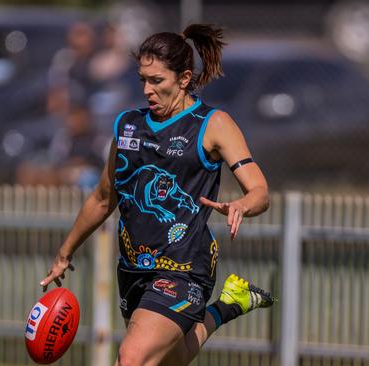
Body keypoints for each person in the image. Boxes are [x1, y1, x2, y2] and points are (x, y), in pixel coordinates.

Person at [40, 23, 274, 366]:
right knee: (169, 358)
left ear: (183, 79)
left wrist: (242, 204)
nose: (147, 90)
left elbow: (260, 191)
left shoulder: (213, 124)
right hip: (132, 268)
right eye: (143, 80)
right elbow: (104, 198)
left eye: (157, 81)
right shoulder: (128, 125)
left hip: (184, 268)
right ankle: (229, 306)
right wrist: (65, 251)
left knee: (131, 358)